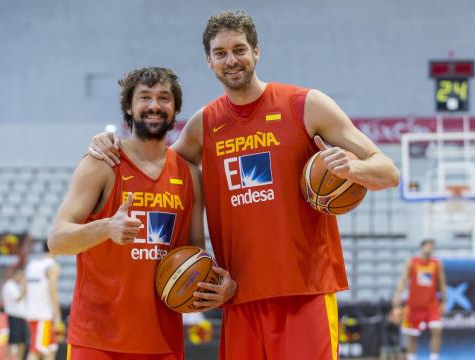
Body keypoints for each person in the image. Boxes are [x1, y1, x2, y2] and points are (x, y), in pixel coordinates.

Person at [87, 10, 399, 359]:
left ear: (256, 52)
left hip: (304, 292)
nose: (231, 60)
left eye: (239, 49)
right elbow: (152, 165)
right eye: (220, 53)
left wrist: (353, 168)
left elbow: (387, 171)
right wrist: (109, 143)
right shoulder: (204, 124)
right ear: (209, 60)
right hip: (237, 296)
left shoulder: (305, 105)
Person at [48, 67, 235, 360]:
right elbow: (57, 240)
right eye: (145, 97)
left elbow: (196, 251)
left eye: (164, 98)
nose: (154, 105)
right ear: (128, 107)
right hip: (98, 339)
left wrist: (213, 286)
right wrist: (106, 228)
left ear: (175, 110)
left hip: (163, 340)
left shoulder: (190, 176)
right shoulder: (101, 164)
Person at [392, 239, 446, 360]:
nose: (430, 248)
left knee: (437, 330)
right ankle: (412, 357)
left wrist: (444, 301)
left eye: (432, 246)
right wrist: (397, 298)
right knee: (412, 336)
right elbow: (403, 281)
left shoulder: (436, 264)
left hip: (431, 304)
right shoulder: (412, 262)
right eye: (428, 246)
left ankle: (434, 357)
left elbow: (442, 283)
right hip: (414, 305)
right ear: (422, 247)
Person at [25, 243, 61, 360]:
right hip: (43, 315)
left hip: (32, 313)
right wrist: (57, 315)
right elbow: (53, 291)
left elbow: (24, 289)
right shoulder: (52, 266)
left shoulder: (31, 265)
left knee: (50, 350)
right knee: (36, 352)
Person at [2, 268, 28, 360]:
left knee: (23, 342)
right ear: (16, 275)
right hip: (13, 316)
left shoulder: (19, 285)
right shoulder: (9, 285)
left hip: (22, 316)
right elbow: (18, 298)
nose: (22, 278)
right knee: (12, 341)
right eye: (21, 276)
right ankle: (6, 358)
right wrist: (25, 288)